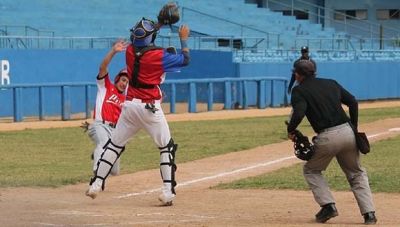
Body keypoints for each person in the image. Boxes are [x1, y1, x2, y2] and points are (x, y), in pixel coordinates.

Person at [85, 18, 190, 206]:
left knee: (114, 145)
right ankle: (167, 191)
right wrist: (183, 39)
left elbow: (142, 40)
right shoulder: (159, 55)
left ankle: (96, 184)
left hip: (130, 107)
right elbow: (185, 60)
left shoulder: (131, 52)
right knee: (166, 147)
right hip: (150, 107)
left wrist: (158, 24)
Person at [286, 60, 377, 225]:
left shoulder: (299, 90)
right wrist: (354, 128)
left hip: (328, 136)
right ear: (314, 72)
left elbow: (299, 113)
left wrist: (291, 130)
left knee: (311, 170)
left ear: (297, 74)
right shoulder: (330, 83)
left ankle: (328, 206)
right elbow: (353, 101)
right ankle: (369, 214)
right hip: (348, 133)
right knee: (356, 173)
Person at [83, 39, 129, 176]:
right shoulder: (106, 86)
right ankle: (98, 172)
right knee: (103, 143)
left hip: (115, 132)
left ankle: (97, 153)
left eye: (127, 82)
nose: (124, 83)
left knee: (114, 171)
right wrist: (114, 51)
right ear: (117, 79)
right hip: (100, 125)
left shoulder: (127, 100)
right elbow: (102, 67)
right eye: (123, 80)